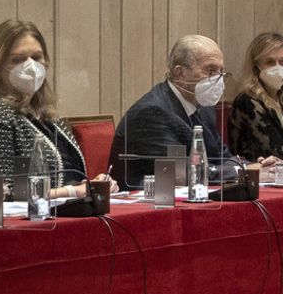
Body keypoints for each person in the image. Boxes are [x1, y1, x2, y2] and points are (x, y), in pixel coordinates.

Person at [0, 19, 115, 199]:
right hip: (28, 221)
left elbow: (68, 176)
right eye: (17, 60)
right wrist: (73, 192)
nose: (31, 67)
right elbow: (0, 192)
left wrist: (93, 184)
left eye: (36, 57)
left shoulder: (48, 115)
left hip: (69, 213)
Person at [110, 35, 268, 189]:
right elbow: (184, 174)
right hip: (149, 203)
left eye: (221, 72)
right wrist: (245, 171)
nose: (218, 80)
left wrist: (259, 167)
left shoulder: (204, 108)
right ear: (180, 73)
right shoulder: (153, 112)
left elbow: (222, 157)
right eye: (210, 71)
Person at [229, 31, 283, 161]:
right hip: (256, 178)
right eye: (270, 62)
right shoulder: (247, 102)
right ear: (256, 67)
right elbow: (277, 154)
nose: (278, 68)